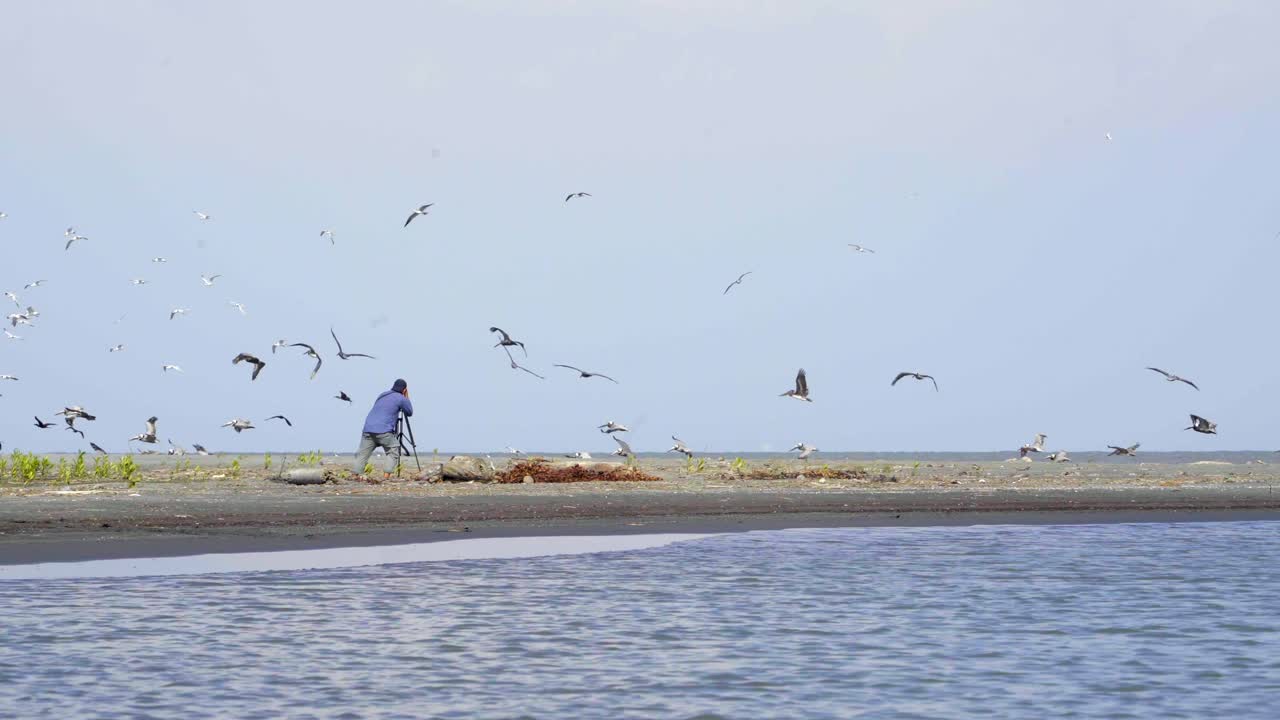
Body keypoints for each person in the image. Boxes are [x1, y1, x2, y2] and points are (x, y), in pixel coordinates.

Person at [354, 378, 413, 477]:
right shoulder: (401, 398)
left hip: (368, 428)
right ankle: (385, 477)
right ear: (404, 390)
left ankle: (355, 476)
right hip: (384, 430)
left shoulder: (382, 395)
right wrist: (406, 398)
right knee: (393, 449)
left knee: (362, 454)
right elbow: (409, 412)